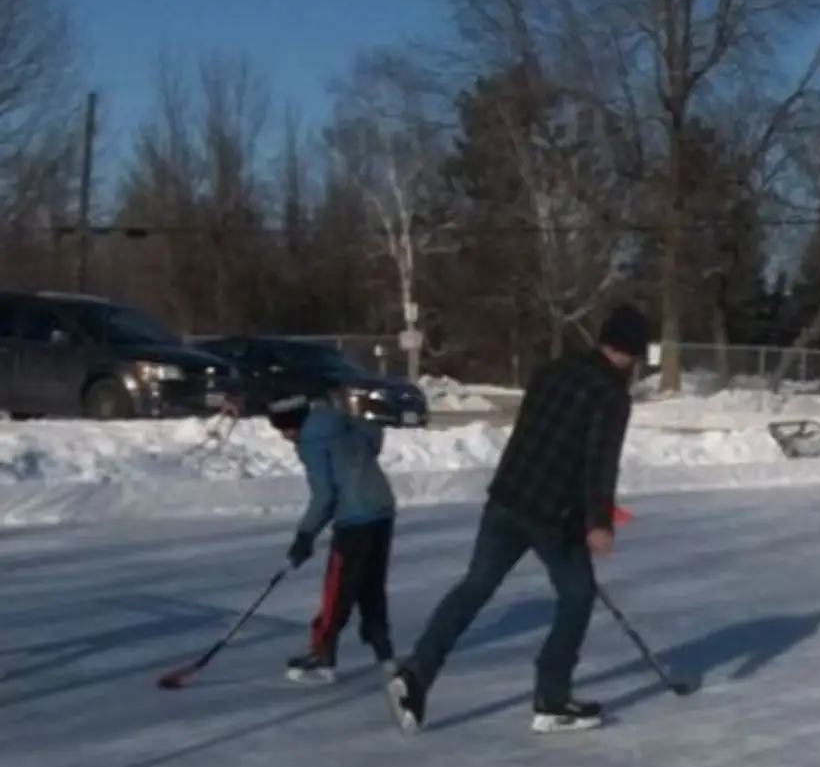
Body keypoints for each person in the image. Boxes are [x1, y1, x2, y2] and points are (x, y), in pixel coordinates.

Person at [385, 304, 647, 735]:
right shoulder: (611, 393)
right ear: (630, 354)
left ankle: (416, 673)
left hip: (507, 498)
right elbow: (601, 460)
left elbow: (532, 432)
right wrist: (598, 521)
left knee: (475, 587)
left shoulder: (552, 370)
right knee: (577, 595)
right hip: (553, 514)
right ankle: (552, 698)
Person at [268, 391, 397, 684]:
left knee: (338, 590)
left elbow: (325, 495)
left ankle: (323, 656)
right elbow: (374, 438)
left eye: (283, 430)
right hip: (382, 510)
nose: (284, 437)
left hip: (354, 521)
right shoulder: (344, 423)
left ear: (293, 425)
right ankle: (384, 652)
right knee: (371, 585)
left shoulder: (312, 443)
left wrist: (304, 536)